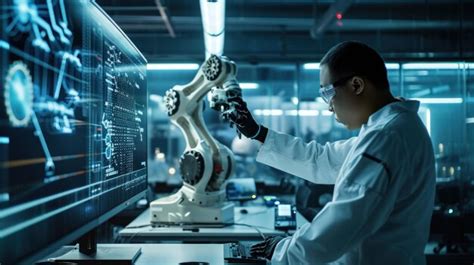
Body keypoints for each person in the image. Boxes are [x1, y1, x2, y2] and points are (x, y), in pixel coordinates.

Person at [226, 41, 436, 265]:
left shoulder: (385, 137)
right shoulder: (393, 129)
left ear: (356, 85)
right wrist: (258, 133)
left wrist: (281, 249)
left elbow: (341, 224)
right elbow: (319, 160)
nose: (328, 106)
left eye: (328, 93)